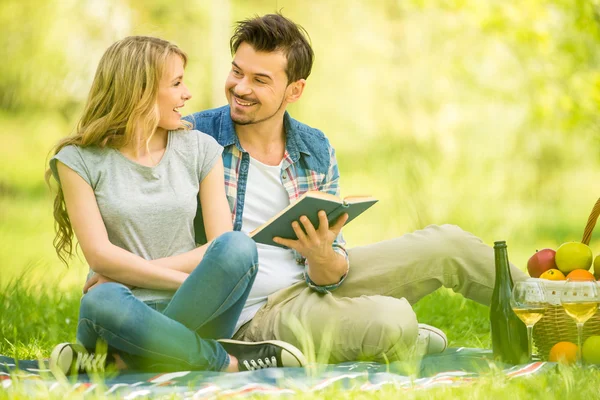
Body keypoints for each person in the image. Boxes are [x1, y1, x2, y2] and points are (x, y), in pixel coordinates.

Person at [183, 13, 529, 363]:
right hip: (253, 313)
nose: (241, 88)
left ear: (295, 90)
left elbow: (329, 274)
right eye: (237, 72)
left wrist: (321, 254)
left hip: (311, 283)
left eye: (260, 80)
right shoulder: (194, 136)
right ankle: (381, 332)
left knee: (449, 245)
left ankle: (555, 310)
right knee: (393, 321)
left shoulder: (314, 148)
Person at [45, 35, 307, 377]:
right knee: (100, 301)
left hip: (196, 308)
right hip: (122, 311)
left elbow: (220, 245)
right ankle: (225, 361)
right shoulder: (77, 161)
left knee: (238, 246)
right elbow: (100, 257)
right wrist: (188, 280)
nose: (188, 94)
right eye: (177, 83)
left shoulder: (200, 148)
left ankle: (124, 361)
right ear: (139, 90)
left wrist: (139, 274)